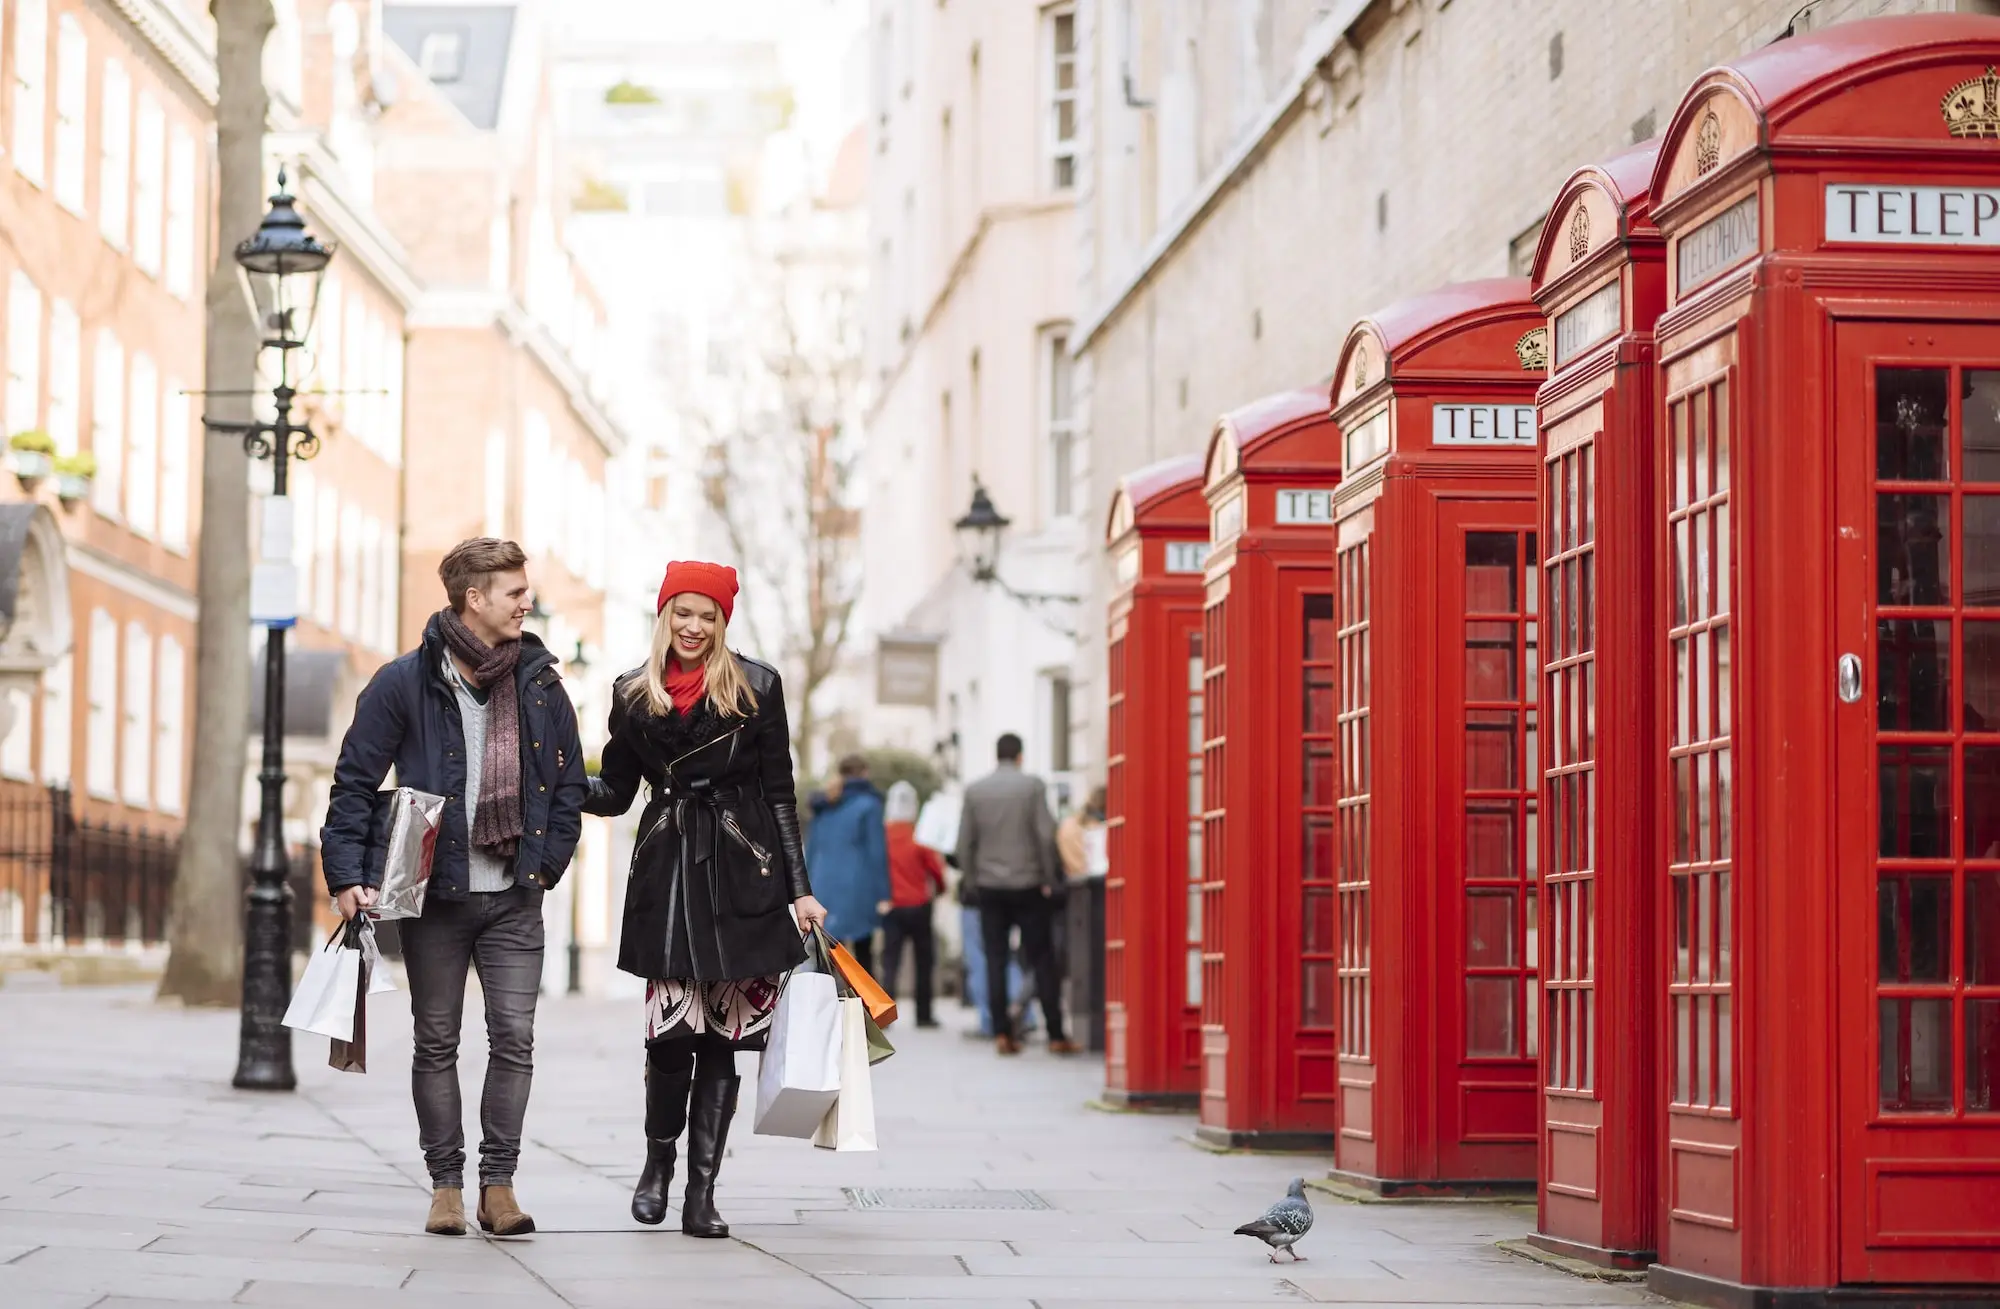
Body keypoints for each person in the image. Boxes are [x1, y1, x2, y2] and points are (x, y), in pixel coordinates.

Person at [321, 538, 588, 1239]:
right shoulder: (403, 681)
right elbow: (354, 781)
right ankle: (445, 1184)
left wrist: (549, 859)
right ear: (474, 597)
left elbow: (567, 784)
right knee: (435, 1039)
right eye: (513, 591)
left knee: (515, 1038)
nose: (526, 601)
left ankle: (498, 1185)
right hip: (434, 895)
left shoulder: (540, 682)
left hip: (514, 897)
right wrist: (347, 873)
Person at [582, 561, 828, 1238]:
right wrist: (554, 778)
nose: (693, 627)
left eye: (707, 615)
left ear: (724, 621)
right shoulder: (633, 693)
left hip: (742, 872)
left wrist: (799, 891)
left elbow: (779, 790)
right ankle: (657, 1163)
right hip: (667, 875)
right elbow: (616, 790)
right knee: (670, 1036)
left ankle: (702, 1193)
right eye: (682, 612)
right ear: (664, 615)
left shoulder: (758, 687)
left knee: (721, 1040)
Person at [956, 733, 1078, 1056]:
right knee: (1042, 959)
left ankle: (1001, 1034)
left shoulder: (975, 791)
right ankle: (1055, 1034)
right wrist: (1051, 877)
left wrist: (971, 882)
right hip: (1028, 885)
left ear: (997, 756)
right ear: (1020, 756)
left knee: (995, 959)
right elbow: (1044, 833)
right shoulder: (1033, 787)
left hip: (990, 888)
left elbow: (964, 843)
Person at [804, 755, 889, 974]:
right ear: (865, 773)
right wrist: (884, 894)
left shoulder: (824, 804)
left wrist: (804, 889)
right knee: (863, 952)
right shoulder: (869, 805)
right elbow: (876, 852)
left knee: (828, 953)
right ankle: (866, 1006)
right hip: (857, 886)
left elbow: (812, 849)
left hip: (822, 883)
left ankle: (827, 1005)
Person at [879, 780, 945, 1028]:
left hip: (892, 905)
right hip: (919, 905)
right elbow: (936, 871)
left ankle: (885, 1015)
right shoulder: (920, 835)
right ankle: (924, 1014)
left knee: (890, 961)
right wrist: (940, 889)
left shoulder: (883, 835)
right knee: (924, 961)